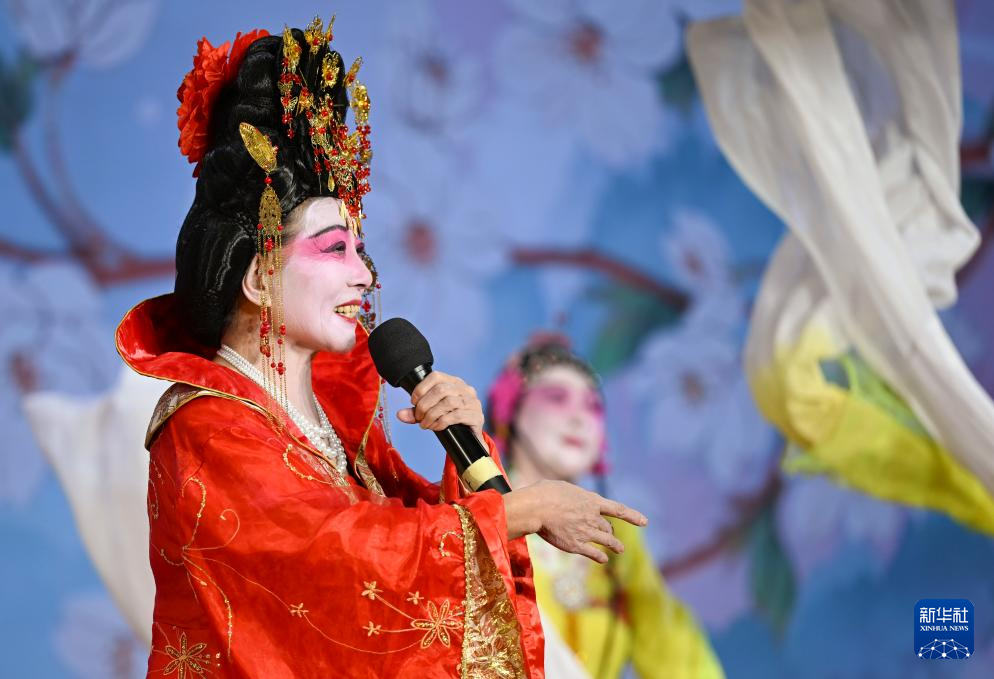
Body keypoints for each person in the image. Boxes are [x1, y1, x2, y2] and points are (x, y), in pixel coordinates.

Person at [115, 18, 646, 678]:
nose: (363, 275)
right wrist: (523, 510)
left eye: (359, 251)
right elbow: (330, 558)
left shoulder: (331, 418)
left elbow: (397, 563)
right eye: (335, 249)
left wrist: (465, 454)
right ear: (257, 276)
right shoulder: (205, 425)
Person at [486, 335, 725, 679]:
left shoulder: (615, 534)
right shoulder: (481, 516)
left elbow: (673, 651)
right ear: (511, 410)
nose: (579, 418)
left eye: (592, 406)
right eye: (556, 398)